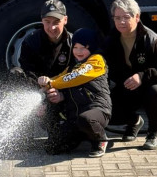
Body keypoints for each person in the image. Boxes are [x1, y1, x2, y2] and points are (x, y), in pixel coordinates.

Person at [103, 0, 157, 151]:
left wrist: (142, 76)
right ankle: (134, 122)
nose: (121, 22)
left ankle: (153, 134)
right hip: (128, 85)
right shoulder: (111, 40)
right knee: (104, 108)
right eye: (117, 18)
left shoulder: (152, 39)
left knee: (155, 93)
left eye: (126, 17)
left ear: (137, 17)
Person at [9, 0, 74, 154]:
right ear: (41, 21)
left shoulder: (74, 43)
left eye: (56, 22)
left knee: (53, 149)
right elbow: (27, 70)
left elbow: (77, 75)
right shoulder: (31, 41)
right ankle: (24, 135)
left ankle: (63, 130)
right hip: (39, 91)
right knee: (14, 74)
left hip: (61, 94)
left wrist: (62, 95)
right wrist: (38, 92)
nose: (51, 27)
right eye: (47, 22)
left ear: (65, 20)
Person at [38, 28, 112, 158]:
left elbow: (74, 77)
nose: (78, 51)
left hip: (97, 110)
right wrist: (45, 83)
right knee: (52, 147)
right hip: (75, 118)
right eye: (75, 47)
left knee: (86, 119)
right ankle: (85, 135)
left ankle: (100, 139)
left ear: (92, 47)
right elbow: (58, 78)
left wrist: (52, 83)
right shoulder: (72, 67)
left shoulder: (97, 61)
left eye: (83, 47)